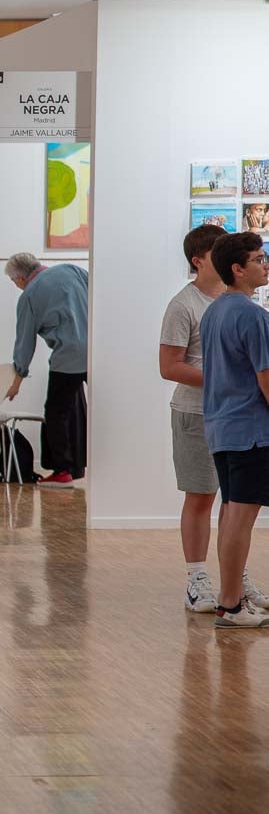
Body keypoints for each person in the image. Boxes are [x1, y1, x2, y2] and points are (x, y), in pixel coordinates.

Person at [160, 225, 269, 613]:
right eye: (258, 259)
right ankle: (203, 582)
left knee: (234, 506)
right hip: (203, 415)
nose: (264, 265)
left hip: (229, 417)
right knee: (204, 497)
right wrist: (227, 377)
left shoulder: (224, 307)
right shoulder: (186, 306)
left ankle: (232, 585)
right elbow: (169, 366)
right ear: (200, 260)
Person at [199, 232, 269, 627]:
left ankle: (232, 599)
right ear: (237, 269)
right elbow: (266, 378)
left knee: (231, 514)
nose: (265, 264)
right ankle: (231, 604)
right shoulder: (252, 316)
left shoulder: (215, 311)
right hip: (251, 431)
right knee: (240, 517)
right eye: (259, 259)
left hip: (223, 427)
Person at [3, 252, 89, 487]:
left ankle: (63, 471)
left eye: (14, 283)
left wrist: (16, 382)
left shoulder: (29, 296)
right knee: (103, 410)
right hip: (97, 352)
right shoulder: (72, 270)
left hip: (67, 358)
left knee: (56, 414)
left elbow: (25, 343)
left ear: (20, 279)